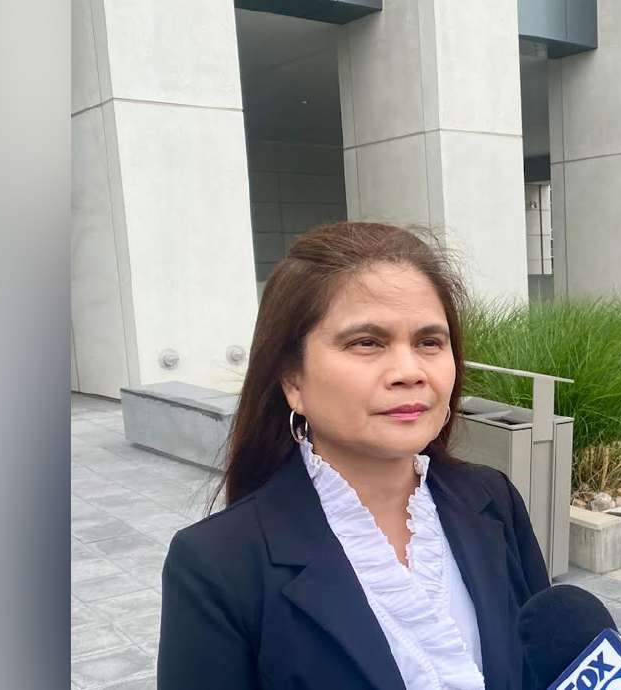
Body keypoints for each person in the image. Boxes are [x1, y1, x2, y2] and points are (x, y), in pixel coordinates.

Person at [157, 222, 550, 689]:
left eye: (429, 342)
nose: (409, 372)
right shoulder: (217, 564)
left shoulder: (492, 500)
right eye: (366, 342)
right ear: (292, 379)